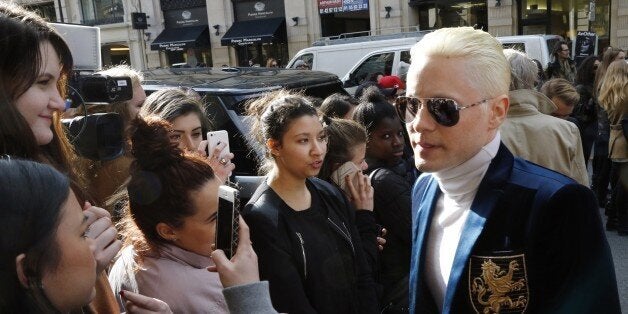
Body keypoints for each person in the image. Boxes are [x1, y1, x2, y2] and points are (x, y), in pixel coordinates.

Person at [397, 27, 619, 313]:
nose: (419, 123)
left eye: (443, 107)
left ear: (497, 112)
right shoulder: (424, 187)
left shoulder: (560, 203)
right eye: (411, 104)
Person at [0, 3, 124, 313]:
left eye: (58, 83)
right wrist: (74, 269)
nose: (59, 101)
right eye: (42, 83)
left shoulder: (44, 162)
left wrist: (82, 255)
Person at [242, 90, 379, 313]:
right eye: (303, 140)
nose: (318, 150)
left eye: (321, 137)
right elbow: (292, 302)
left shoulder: (329, 193)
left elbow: (362, 273)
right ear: (274, 146)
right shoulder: (263, 217)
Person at [108, 117, 231, 312]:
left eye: (228, 206)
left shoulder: (129, 256)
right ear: (167, 231)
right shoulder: (203, 289)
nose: (233, 222)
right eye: (215, 218)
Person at [353, 87, 418, 313]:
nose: (398, 142)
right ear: (366, 140)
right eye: (386, 136)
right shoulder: (384, 181)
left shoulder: (389, 171)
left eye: (400, 133)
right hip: (398, 284)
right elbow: (418, 233)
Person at [500, 49, 589, 186]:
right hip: (555, 205)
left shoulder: (481, 132)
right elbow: (581, 186)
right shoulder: (567, 130)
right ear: (533, 80)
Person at [138, 88, 235, 182]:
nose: (191, 146)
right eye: (175, 137)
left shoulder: (205, 177)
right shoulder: (144, 186)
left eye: (196, 134)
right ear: (153, 139)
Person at [597, 60, 628, 235]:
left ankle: (613, 218)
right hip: (624, 140)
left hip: (615, 140)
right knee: (622, 187)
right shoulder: (626, 91)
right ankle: (620, 221)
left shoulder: (608, 91)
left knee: (620, 184)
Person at [573, 55, 601, 166]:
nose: (598, 70)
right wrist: (591, 105)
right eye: (595, 67)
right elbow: (579, 113)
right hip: (586, 127)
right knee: (583, 157)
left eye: (600, 67)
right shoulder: (581, 88)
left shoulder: (599, 84)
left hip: (597, 125)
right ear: (588, 69)